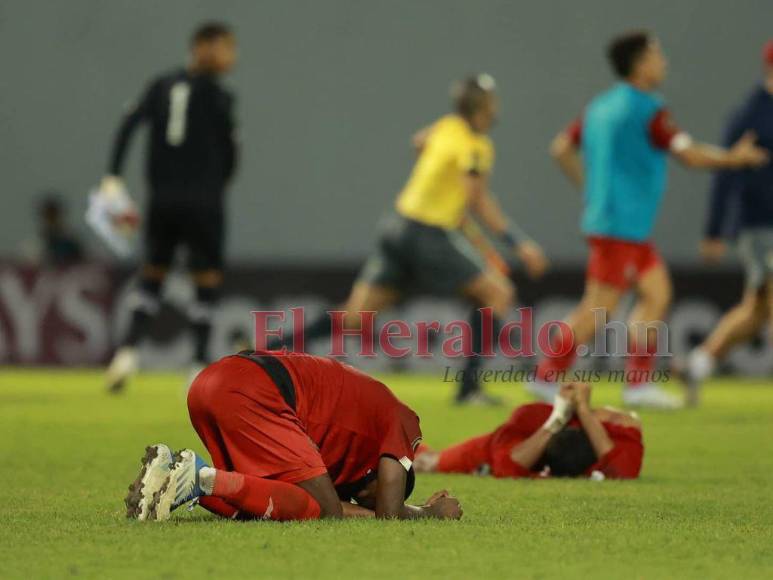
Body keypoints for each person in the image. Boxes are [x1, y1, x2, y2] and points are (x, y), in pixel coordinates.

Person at [270, 74, 548, 404]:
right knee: (498, 294)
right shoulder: (476, 145)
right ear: (485, 108)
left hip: (398, 226)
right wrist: (520, 244)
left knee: (356, 318)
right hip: (427, 233)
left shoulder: (446, 127)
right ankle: (469, 390)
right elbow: (479, 202)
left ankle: (263, 354)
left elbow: (418, 141)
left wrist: (440, 182)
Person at [531, 30, 769, 409]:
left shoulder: (600, 106)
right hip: (620, 228)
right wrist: (734, 158)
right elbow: (688, 155)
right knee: (598, 309)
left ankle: (638, 386)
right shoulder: (648, 108)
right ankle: (546, 378)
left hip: (620, 226)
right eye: (658, 55)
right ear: (641, 64)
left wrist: (592, 190)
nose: (664, 62)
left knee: (657, 294)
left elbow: (560, 148)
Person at [124, 350, 463, 522]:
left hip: (210, 383)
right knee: (326, 510)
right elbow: (389, 513)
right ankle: (197, 477)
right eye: (371, 496)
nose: (362, 501)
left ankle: (172, 478)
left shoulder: (349, 436)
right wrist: (427, 512)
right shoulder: (402, 417)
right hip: (253, 388)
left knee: (258, 506)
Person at [102, 22, 239, 393]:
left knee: (152, 274)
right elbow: (230, 155)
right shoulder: (219, 96)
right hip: (204, 201)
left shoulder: (161, 85)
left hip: (162, 199)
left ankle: (126, 354)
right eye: (225, 48)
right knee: (206, 280)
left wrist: (113, 176)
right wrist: (217, 185)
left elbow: (128, 125)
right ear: (202, 48)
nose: (231, 57)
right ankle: (197, 365)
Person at [678, 40, 773, 403]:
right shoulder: (752, 114)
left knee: (756, 310)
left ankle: (698, 364)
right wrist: (714, 229)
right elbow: (726, 172)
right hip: (763, 223)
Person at [414, 383, 643, 480]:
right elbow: (629, 429)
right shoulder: (606, 444)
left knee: (426, 463)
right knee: (425, 460)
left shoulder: (536, 427)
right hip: (492, 447)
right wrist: (582, 410)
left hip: (486, 455)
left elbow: (507, 465)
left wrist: (560, 417)